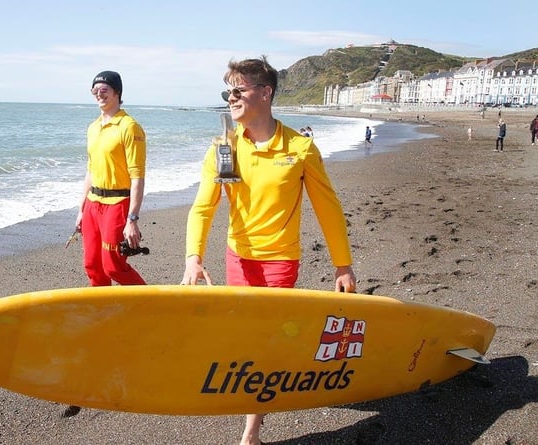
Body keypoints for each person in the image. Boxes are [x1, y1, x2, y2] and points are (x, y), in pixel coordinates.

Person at [180, 56, 356, 445]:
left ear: (265, 92)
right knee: (246, 338)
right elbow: (203, 207)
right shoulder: (223, 147)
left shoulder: (300, 148)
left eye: (238, 90)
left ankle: (251, 431)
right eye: (228, 91)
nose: (231, 98)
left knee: (260, 344)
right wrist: (194, 257)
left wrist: (343, 266)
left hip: (279, 261)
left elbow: (329, 210)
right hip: (237, 258)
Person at [75, 70, 147, 287]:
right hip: (93, 204)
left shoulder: (129, 126)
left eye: (104, 89)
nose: (99, 94)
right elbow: (91, 171)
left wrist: (132, 220)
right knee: (92, 266)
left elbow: (137, 176)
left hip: (117, 204)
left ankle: (150, 304)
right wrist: (81, 210)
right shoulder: (93, 127)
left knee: (113, 265)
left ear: (117, 92)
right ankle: (104, 314)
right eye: (94, 90)